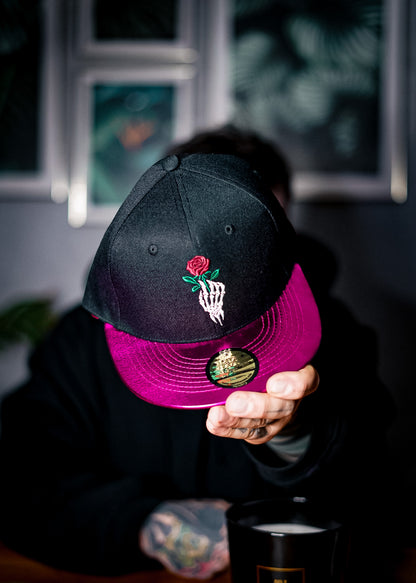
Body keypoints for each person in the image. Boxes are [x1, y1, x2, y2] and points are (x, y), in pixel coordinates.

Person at [0, 138, 395, 582]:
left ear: (285, 224)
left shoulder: (332, 330)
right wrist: (142, 522)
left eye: (243, 229)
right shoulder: (82, 343)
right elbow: (14, 477)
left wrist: (298, 439)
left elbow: (374, 497)